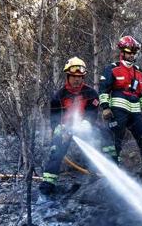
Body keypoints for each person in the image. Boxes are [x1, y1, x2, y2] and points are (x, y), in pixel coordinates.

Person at [40, 57, 101, 197]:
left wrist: (85, 125)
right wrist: (60, 129)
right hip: (65, 129)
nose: (77, 80)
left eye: (80, 77)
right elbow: (54, 120)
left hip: (84, 127)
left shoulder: (91, 94)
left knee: (103, 138)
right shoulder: (58, 96)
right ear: (68, 76)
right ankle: (46, 189)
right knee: (56, 153)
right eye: (74, 76)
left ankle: (100, 176)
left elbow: (92, 115)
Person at [98, 35, 142, 172]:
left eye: (134, 52)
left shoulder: (139, 72)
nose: (132, 55)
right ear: (122, 52)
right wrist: (105, 108)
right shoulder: (112, 69)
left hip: (136, 111)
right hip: (118, 109)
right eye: (129, 52)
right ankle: (112, 167)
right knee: (115, 138)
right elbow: (103, 90)